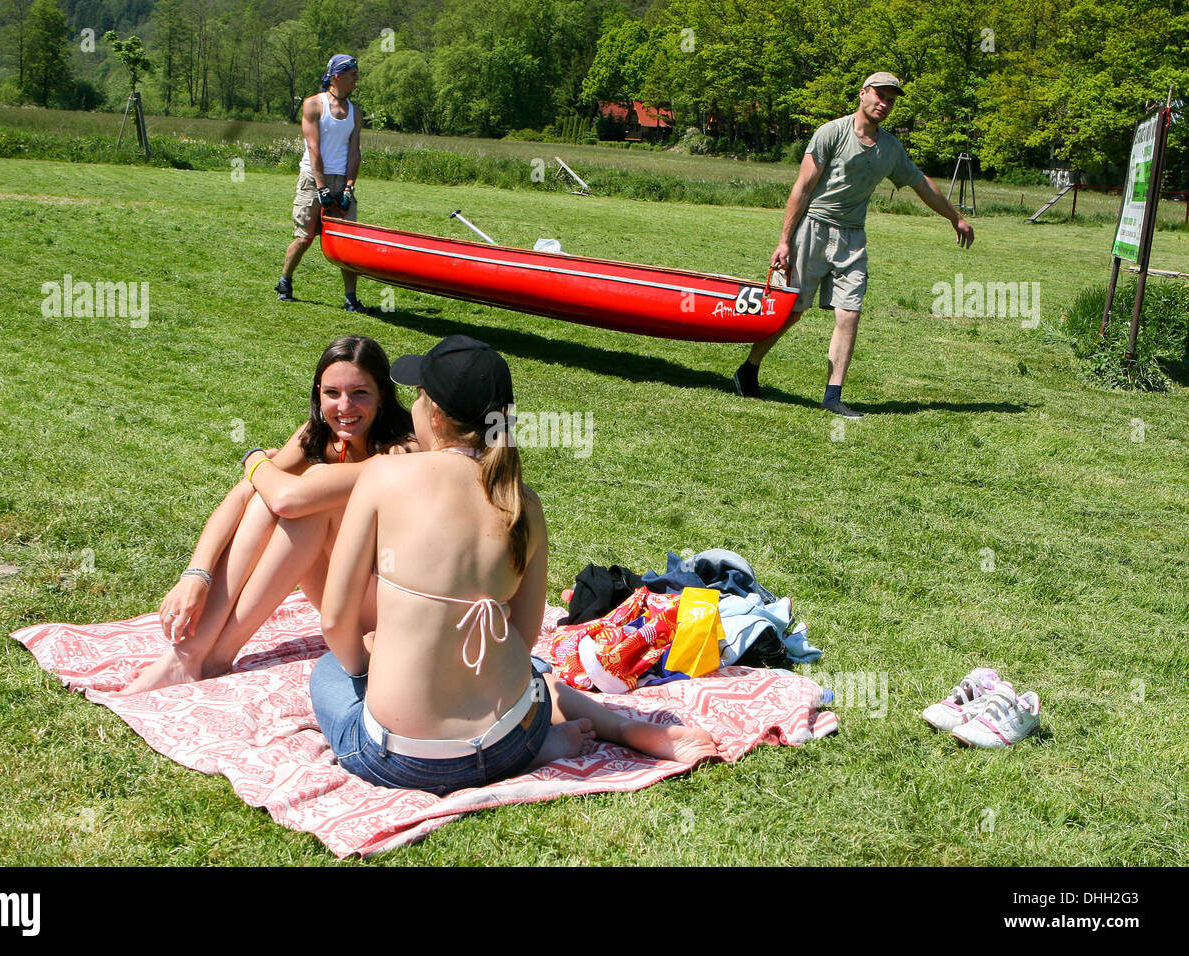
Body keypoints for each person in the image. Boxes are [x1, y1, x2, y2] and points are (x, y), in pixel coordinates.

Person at [311, 335, 720, 794]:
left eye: (419, 396)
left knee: (329, 672)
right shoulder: (524, 501)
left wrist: (371, 661)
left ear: (436, 414)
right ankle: (593, 733)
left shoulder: (385, 475)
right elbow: (523, 640)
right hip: (510, 739)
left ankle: (527, 742)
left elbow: (334, 619)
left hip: (406, 760)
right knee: (533, 670)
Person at [122, 335, 415, 695]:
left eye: (360, 393)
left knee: (306, 502)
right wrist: (195, 576)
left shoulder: (400, 450)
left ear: (383, 394)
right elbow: (247, 493)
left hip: (387, 613)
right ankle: (190, 657)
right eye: (332, 393)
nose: (345, 406)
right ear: (318, 393)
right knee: (264, 499)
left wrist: (254, 459)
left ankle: (211, 657)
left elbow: (289, 499)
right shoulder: (320, 434)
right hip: (345, 595)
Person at [734, 71, 975, 418]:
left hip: (852, 238)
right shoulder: (832, 133)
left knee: (850, 313)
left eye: (891, 99)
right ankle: (749, 368)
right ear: (863, 94)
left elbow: (922, 184)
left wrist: (955, 217)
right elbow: (801, 187)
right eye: (879, 95)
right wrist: (784, 240)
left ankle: (833, 396)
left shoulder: (890, 149)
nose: (884, 103)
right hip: (813, 229)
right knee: (793, 311)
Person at [276, 53, 366, 311]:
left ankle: (351, 298)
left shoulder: (355, 113)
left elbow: (354, 151)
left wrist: (349, 185)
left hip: (341, 180)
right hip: (313, 179)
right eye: (353, 75)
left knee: (347, 242)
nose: (356, 80)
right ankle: (285, 282)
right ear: (337, 76)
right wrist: (321, 187)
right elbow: (313, 148)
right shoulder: (313, 105)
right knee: (305, 238)